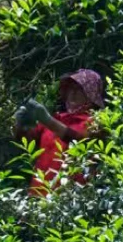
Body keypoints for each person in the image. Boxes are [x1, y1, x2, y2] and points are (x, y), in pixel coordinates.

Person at [13, 69, 105, 198]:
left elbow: (79, 141)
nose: (72, 94)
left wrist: (48, 120)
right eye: (70, 89)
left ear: (90, 93)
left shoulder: (96, 123)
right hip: (40, 193)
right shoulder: (57, 118)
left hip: (72, 200)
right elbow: (25, 140)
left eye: (79, 89)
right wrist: (20, 122)